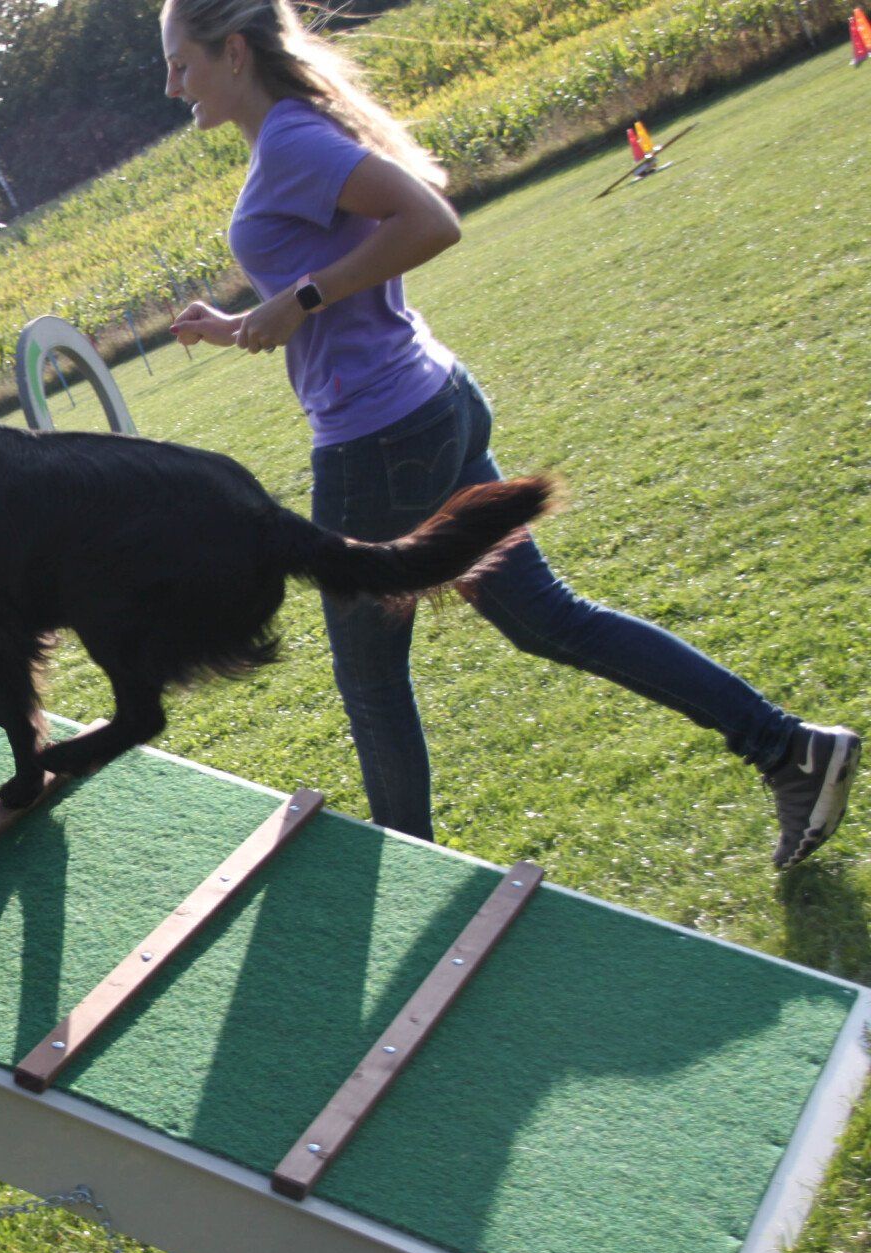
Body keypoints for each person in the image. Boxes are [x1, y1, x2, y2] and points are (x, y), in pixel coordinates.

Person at [159, 0, 857, 867]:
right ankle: (788, 747)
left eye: (181, 64)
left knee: (371, 682)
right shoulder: (290, 138)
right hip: (428, 406)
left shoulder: (294, 142)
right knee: (548, 620)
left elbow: (429, 223)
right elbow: (330, 291)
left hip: (381, 441)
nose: (172, 86)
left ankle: (412, 872)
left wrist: (298, 299)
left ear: (233, 52)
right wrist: (238, 323)